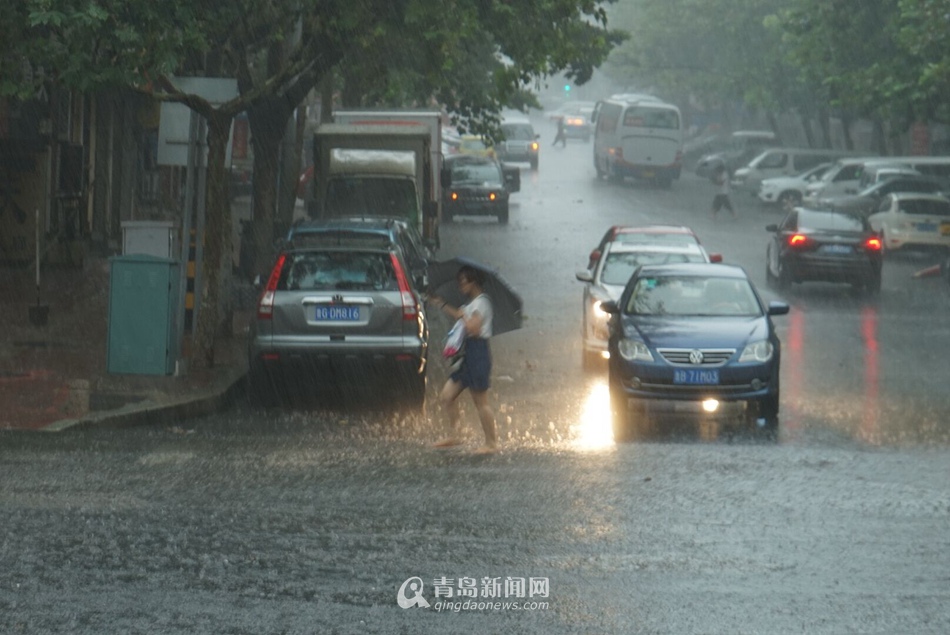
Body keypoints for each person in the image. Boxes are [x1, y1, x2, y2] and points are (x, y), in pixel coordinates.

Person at [428, 265, 499, 454]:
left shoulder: (482, 303)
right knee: (447, 396)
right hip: (468, 354)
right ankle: (456, 434)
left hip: (478, 352)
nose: (460, 286)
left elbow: (474, 329)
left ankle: (491, 443)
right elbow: (461, 314)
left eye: (463, 282)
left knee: (480, 401)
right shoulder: (472, 303)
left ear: (473, 282)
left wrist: (463, 316)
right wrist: (441, 304)